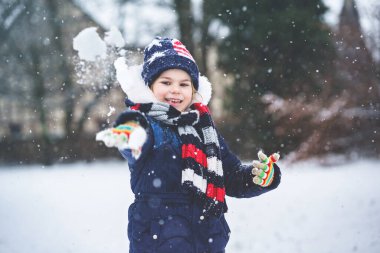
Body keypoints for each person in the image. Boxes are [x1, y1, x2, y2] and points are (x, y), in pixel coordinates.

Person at [96, 37, 281, 253]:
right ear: (149, 86)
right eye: (166, 82)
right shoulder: (149, 124)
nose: (176, 90)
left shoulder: (205, 130)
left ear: (193, 90)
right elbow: (135, 138)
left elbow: (231, 175)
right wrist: (129, 132)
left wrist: (259, 177)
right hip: (158, 242)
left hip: (207, 241)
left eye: (184, 84)